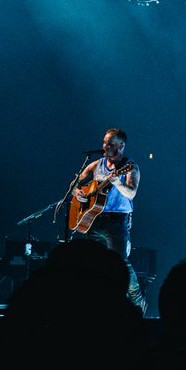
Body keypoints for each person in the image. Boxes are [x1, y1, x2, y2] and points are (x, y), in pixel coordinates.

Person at [71, 127, 147, 314]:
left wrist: (117, 182)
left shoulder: (130, 166)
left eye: (110, 143)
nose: (105, 145)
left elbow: (131, 193)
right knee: (94, 263)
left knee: (119, 263)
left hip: (117, 221)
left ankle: (138, 302)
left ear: (121, 146)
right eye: (104, 142)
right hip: (94, 219)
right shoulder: (96, 165)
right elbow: (76, 183)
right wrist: (77, 192)